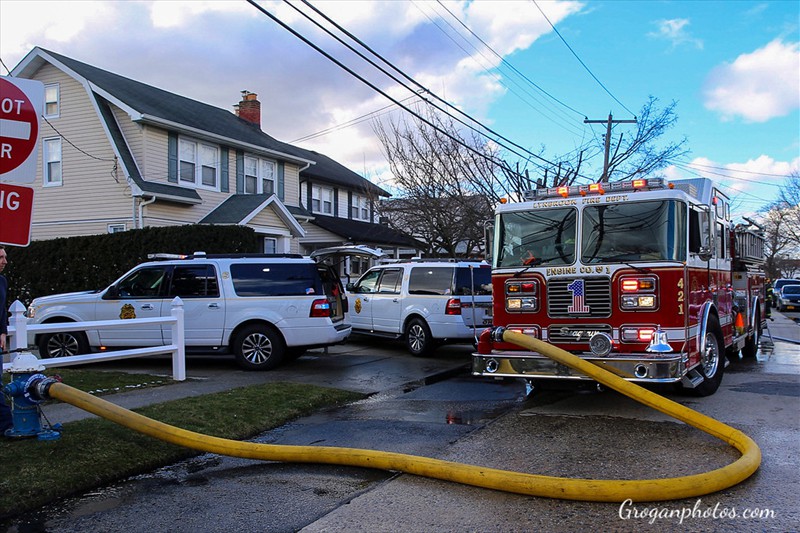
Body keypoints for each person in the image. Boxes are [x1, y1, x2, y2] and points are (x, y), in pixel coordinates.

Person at [1, 244, 13, 432]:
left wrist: (2, 332)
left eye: (4, 257)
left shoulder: (2, 281)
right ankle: (8, 425)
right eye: (1, 257)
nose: (5, 261)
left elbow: (2, 311)